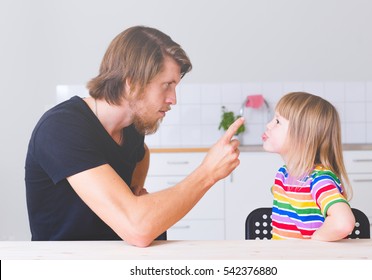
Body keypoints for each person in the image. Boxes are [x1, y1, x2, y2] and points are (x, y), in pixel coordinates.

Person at [25, 26, 244, 247]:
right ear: (132, 84)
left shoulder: (131, 128)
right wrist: (207, 173)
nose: (173, 99)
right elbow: (138, 229)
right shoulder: (61, 128)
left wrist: (134, 188)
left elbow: (142, 154)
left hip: (116, 257)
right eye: (166, 85)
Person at [262, 91, 355, 241]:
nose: (269, 125)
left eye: (278, 122)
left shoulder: (319, 180)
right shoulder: (283, 175)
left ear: (302, 137)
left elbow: (343, 223)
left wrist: (313, 244)